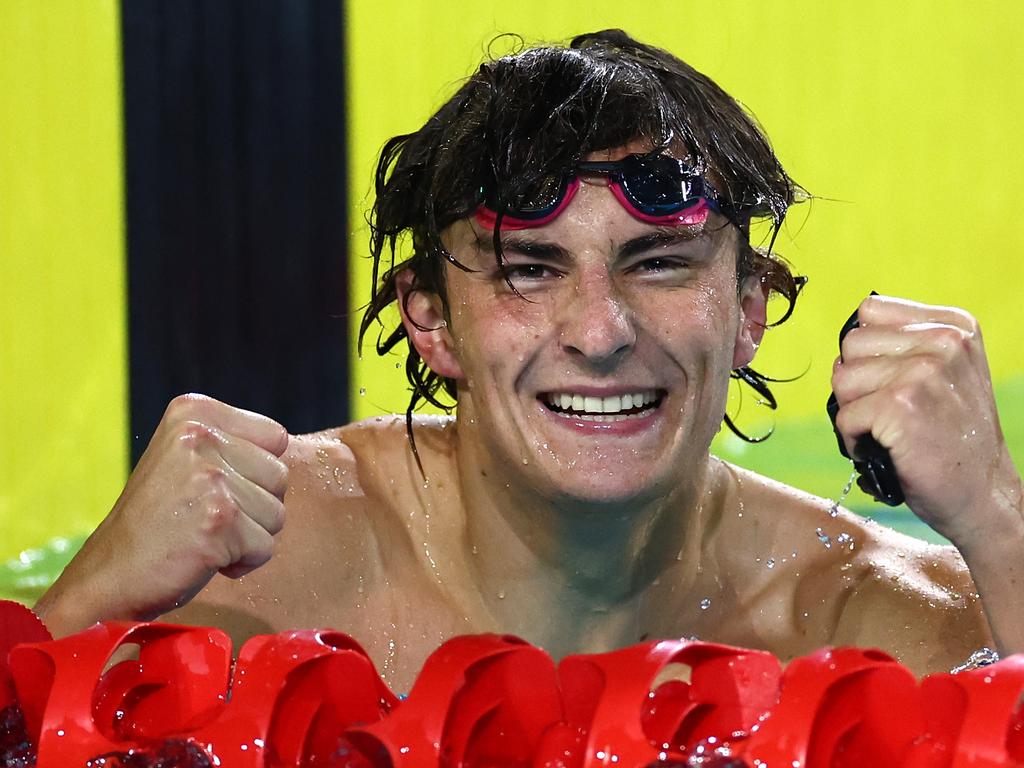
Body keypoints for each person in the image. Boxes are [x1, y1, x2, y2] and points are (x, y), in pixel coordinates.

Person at [34, 30, 1023, 693]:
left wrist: (998, 524)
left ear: (748, 311)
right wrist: (83, 605)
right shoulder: (256, 573)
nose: (598, 333)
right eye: (529, 270)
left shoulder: (858, 616)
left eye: (658, 264)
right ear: (431, 321)